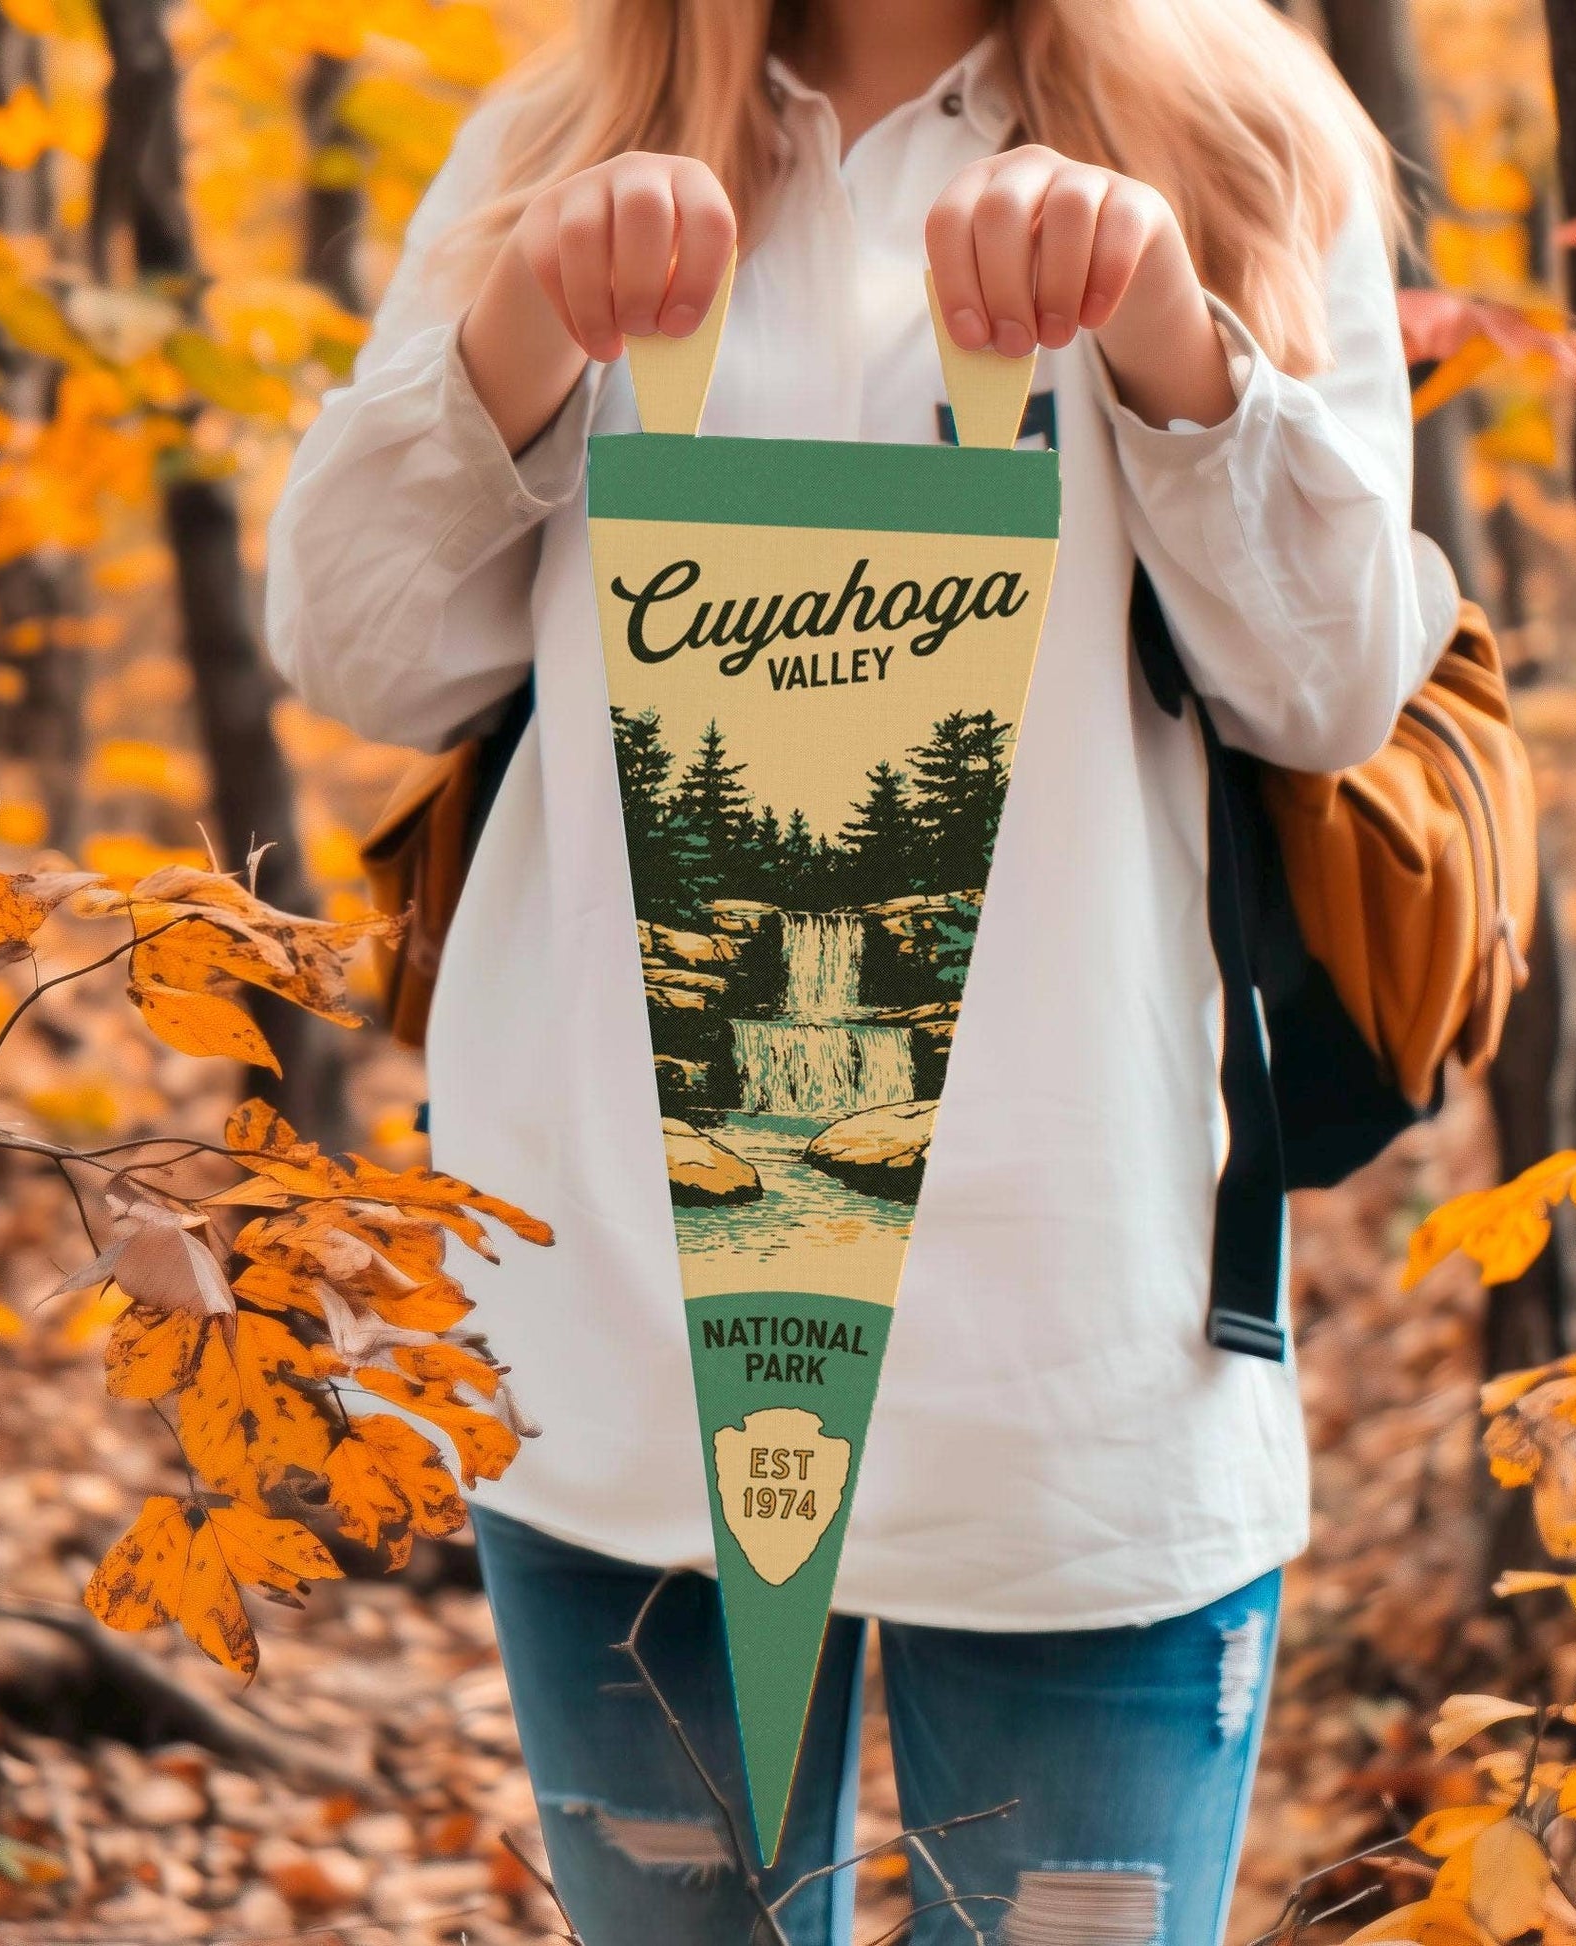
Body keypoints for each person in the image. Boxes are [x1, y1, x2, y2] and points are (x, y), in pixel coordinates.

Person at [268, 2, 1458, 1939]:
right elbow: (353, 651)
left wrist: (1167, 337)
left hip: (1077, 1361)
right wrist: (525, 326)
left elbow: (1330, 689)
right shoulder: (555, 135)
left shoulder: (1237, 128)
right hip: (620, 1342)